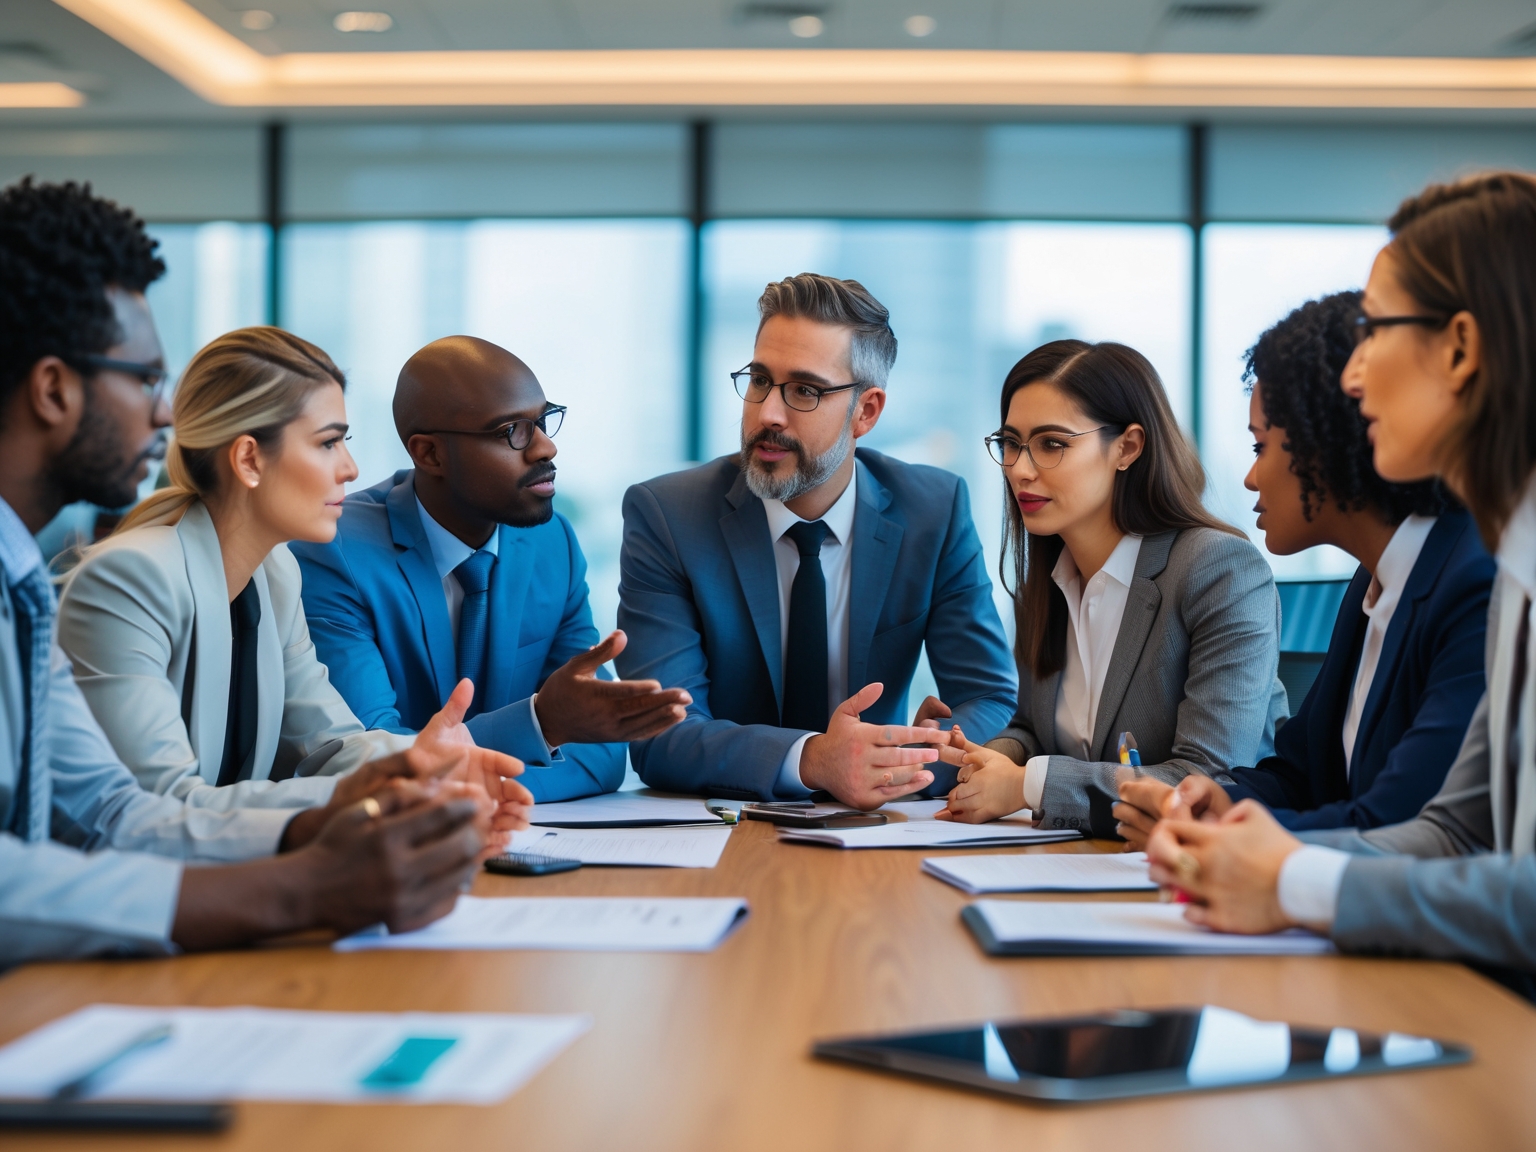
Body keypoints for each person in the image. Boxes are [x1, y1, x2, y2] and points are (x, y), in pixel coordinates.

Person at [0, 177, 522, 965]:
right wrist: (314, 875)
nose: (165, 412)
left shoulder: (261, 576)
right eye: (143, 378)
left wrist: (398, 775)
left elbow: (113, 813)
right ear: (52, 388)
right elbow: (140, 814)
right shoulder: (126, 578)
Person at [1141, 172, 1536, 985]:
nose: (1354, 379)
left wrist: (1287, 877)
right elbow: (1456, 834)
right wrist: (1247, 851)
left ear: (1460, 348)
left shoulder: (1486, 574)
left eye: (1377, 330)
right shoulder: (1507, 564)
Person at [57, 327, 527, 829]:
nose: (350, 468)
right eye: (328, 443)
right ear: (249, 459)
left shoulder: (274, 572)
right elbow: (159, 804)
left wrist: (422, 766)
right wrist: (375, 794)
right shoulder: (132, 578)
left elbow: (329, 745)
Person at [615, 273, 1016, 807]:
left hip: (877, 832)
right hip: (721, 826)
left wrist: (907, 762)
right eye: (760, 380)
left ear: (866, 412)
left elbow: (989, 696)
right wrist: (814, 760)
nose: (768, 413)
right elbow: (660, 732)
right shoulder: (667, 515)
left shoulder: (933, 511)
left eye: (805, 390)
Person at [1114, 293, 1491, 848]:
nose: (1249, 478)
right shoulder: (1372, 582)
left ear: (1326, 443)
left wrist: (1226, 839)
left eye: (1261, 445)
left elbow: (1399, 827)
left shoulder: (1474, 583)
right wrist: (1219, 804)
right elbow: (1303, 773)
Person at [292, 337, 689, 802]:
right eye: (512, 431)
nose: (546, 447)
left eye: (542, 421)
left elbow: (601, 754)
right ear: (429, 454)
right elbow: (370, 763)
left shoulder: (552, 542)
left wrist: (476, 789)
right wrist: (543, 724)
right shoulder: (333, 551)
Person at [936, 340, 1287, 835]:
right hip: (1075, 865)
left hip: (1188, 878)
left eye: (1051, 443)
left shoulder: (1218, 569)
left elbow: (1209, 777)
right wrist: (986, 759)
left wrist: (1025, 786)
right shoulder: (1051, 575)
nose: (1019, 468)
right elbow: (1033, 731)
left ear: (1127, 447)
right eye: (1011, 443)